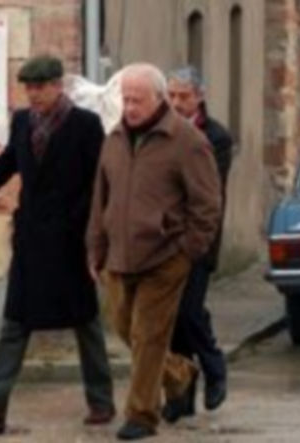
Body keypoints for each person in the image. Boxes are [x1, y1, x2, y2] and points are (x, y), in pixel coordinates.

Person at [0, 55, 115, 434]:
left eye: (40, 87)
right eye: (28, 87)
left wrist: (84, 230)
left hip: (70, 241)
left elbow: (100, 184)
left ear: (58, 86)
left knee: (85, 322)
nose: (34, 94)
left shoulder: (86, 126)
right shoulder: (24, 121)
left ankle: (101, 401)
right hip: (29, 238)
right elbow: (9, 159)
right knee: (15, 321)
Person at [86, 63, 222, 441]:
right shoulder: (114, 139)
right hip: (120, 255)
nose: (129, 107)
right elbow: (101, 199)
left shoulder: (186, 141)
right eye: (125, 99)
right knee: (125, 328)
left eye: (137, 100)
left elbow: (207, 204)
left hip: (165, 256)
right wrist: (95, 248)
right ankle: (181, 372)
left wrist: (188, 249)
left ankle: (142, 415)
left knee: (148, 334)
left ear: (159, 99)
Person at [163, 66, 233, 422]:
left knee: (189, 310)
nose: (176, 103)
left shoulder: (215, 136)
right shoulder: (158, 131)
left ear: (199, 97)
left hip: (199, 240)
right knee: (172, 319)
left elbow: (207, 190)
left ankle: (214, 366)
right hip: (164, 241)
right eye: (171, 96)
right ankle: (180, 395)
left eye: (184, 96)